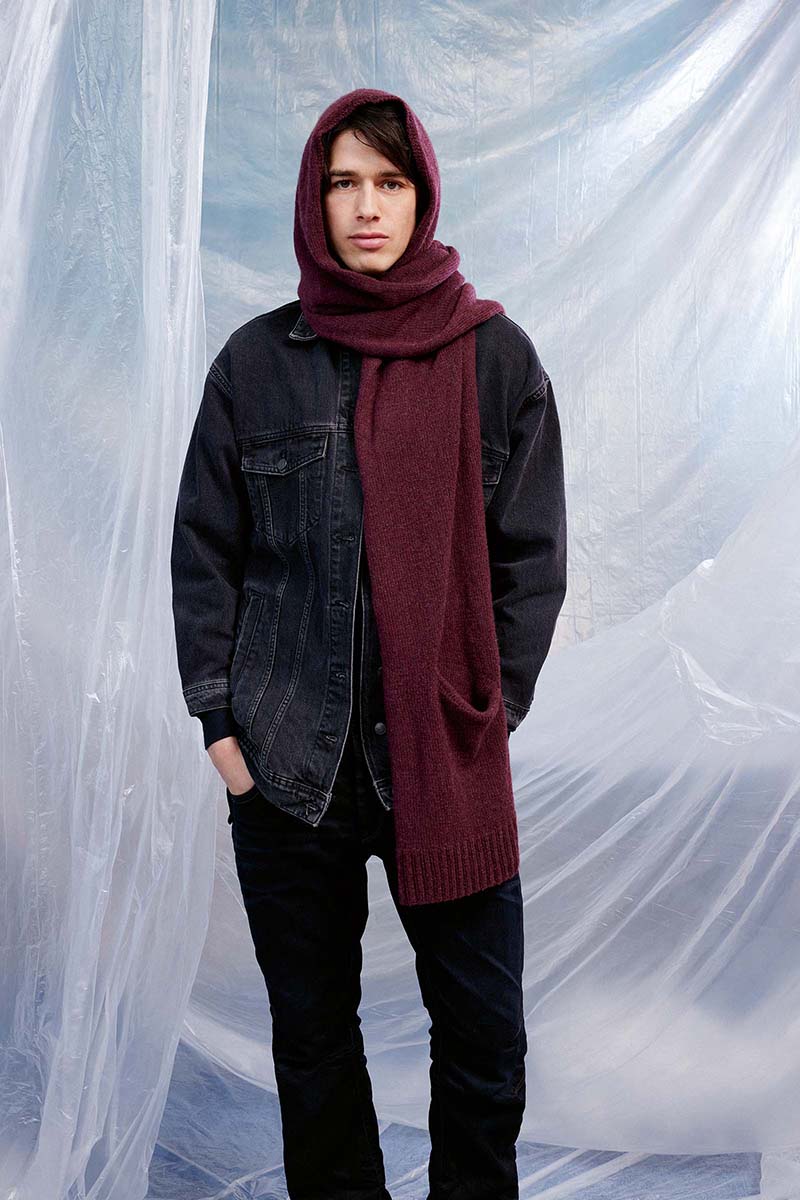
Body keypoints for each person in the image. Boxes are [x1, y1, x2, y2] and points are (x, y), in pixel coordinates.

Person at [171, 88, 567, 1200]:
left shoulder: (495, 359)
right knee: (313, 1046)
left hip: (440, 757)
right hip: (285, 763)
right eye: (343, 182)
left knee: (484, 1040)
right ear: (315, 198)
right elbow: (204, 550)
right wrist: (221, 726)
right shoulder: (254, 364)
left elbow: (531, 560)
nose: (367, 207)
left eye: (389, 181)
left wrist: (482, 712)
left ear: (422, 193)